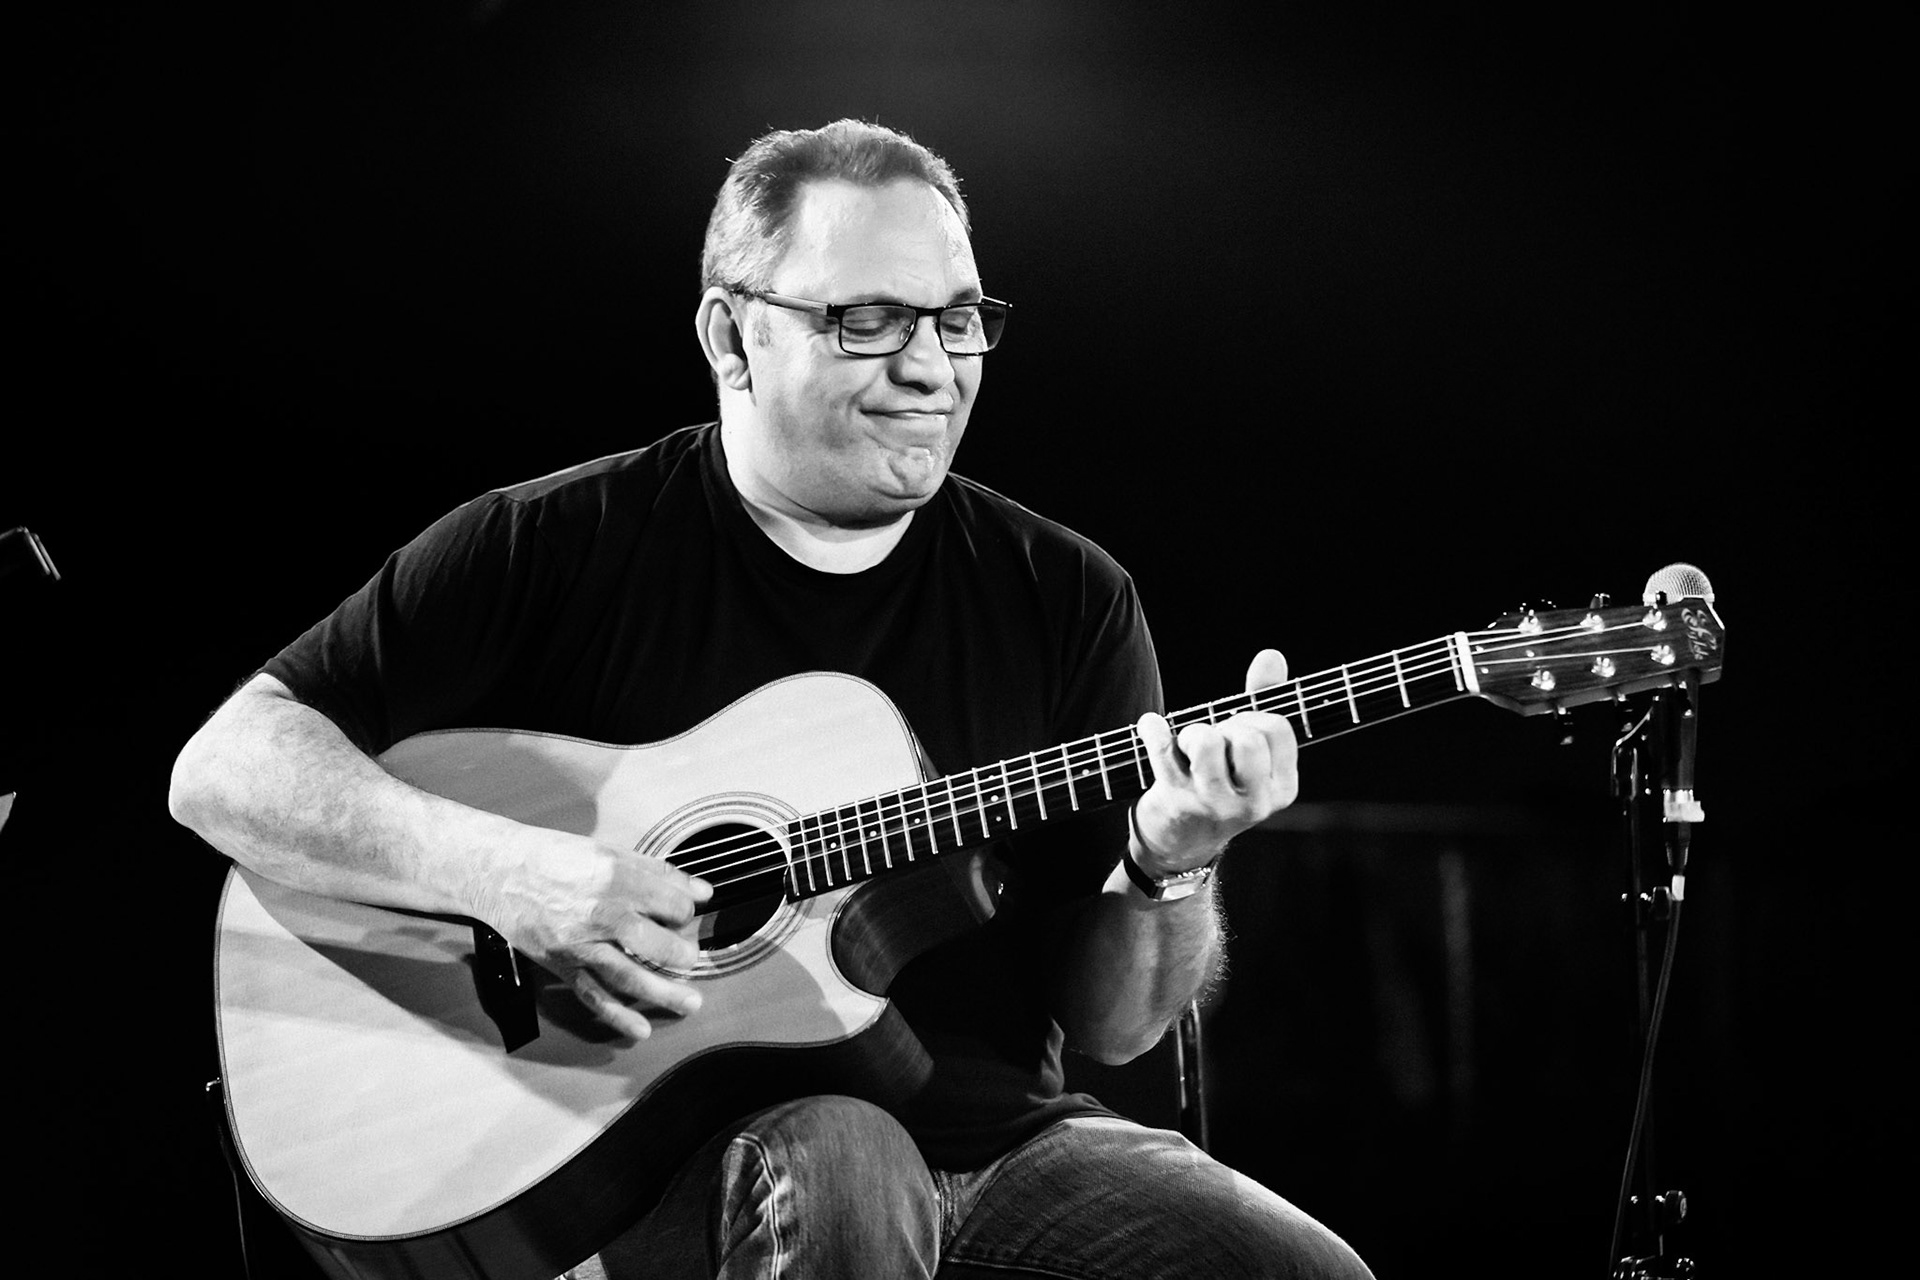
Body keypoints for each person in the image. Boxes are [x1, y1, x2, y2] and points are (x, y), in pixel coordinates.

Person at [170, 118, 1374, 1279]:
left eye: (961, 319)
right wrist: (505, 873)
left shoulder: (1066, 594)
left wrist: (1176, 860)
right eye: (869, 319)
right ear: (731, 337)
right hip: (645, 1159)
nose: (931, 365)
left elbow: (1115, 1029)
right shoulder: (549, 545)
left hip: (999, 1149)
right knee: (849, 1159)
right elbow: (226, 767)